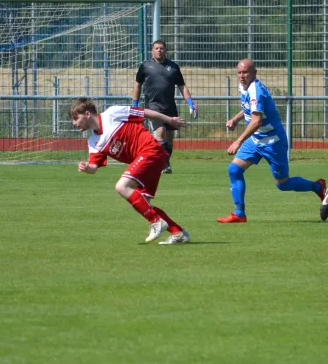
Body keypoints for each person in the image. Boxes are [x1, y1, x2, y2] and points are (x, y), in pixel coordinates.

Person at [217, 58, 326, 223]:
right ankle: (239, 214)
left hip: (272, 142)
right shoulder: (243, 87)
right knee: (234, 170)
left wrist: (238, 141)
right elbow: (248, 108)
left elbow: (256, 121)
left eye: (245, 72)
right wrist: (235, 119)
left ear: (254, 73)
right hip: (255, 140)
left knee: (282, 184)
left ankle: (318, 187)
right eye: (239, 72)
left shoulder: (257, 90)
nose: (241, 76)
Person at [69, 97, 190, 244]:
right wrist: (87, 167)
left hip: (150, 150)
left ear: (87, 114)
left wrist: (169, 120)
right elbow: (94, 167)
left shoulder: (111, 114)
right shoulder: (93, 142)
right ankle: (178, 233)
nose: (73, 123)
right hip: (150, 159)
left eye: (76, 118)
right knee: (144, 203)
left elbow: (145, 112)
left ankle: (156, 221)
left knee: (122, 186)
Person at [133, 40, 198, 174]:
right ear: (152, 51)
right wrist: (135, 104)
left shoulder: (173, 67)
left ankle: (165, 162)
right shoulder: (145, 66)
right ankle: (163, 164)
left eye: (161, 48)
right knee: (160, 133)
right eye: (156, 48)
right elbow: (137, 84)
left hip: (170, 107)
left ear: (165, 50)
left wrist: (190, 102)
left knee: (169, 140)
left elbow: (182, 86)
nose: (159, 50)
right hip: (153, 106)